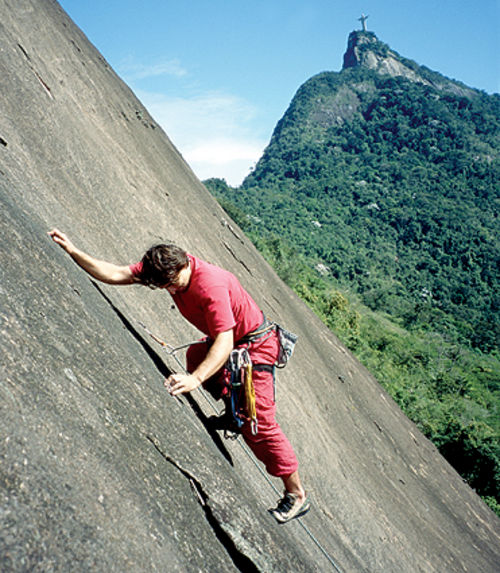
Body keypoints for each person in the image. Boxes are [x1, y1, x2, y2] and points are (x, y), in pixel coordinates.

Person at [48, 229, 310, 523]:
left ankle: (296, 494)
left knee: (257, 422)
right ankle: (231, 410)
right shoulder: (164, 270)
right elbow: (119, 272)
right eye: (164, 287)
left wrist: (195, 380)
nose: (170, 291)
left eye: (172, 284)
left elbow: (224, 341)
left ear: (184, 265)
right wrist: (73, 250)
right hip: (234, 341)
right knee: (197, 357)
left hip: (255, 345)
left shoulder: (209, 286)